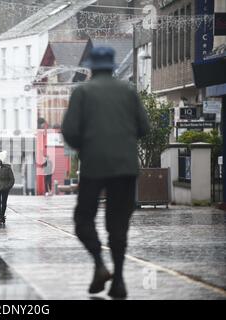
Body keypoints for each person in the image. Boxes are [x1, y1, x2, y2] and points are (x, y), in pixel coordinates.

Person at [62, 46, 150, 299]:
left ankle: (99, 264)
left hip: (94, 166)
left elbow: (69, 131)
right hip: (125, 167)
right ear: (112, 66)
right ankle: (119, 281)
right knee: (118, 224)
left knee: (84, 219)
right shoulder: (128, 91)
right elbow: (144, 128)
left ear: (91, 67)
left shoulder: (83, 92)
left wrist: (85, 146)